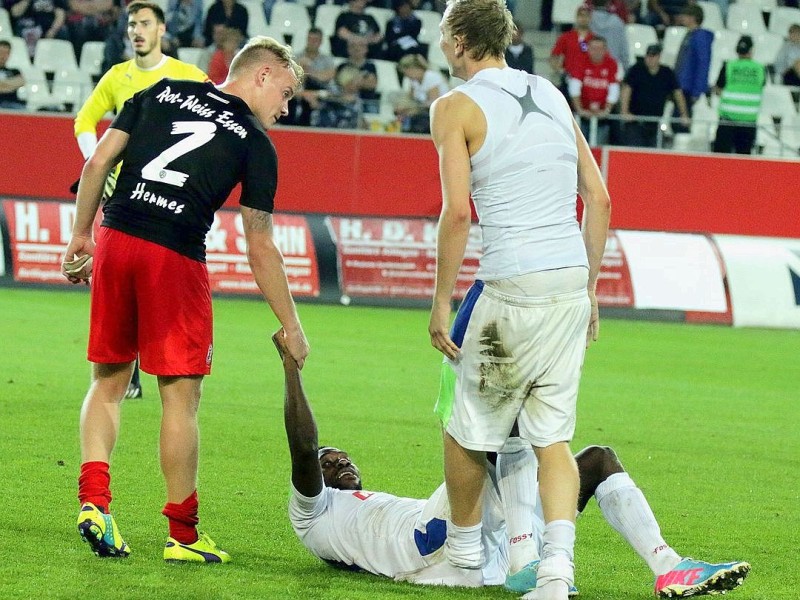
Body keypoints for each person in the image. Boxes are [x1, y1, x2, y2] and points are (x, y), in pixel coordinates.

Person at [63, 35, 310, 563]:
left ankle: (94, 502)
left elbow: (96, 164)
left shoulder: (162, 90)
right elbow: (260, 243)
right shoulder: (253, 141)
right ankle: (183, 534)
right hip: (174, 258)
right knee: (180, 398)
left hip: (117, 239)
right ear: (262, 75)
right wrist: (292, 323)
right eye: (285, 94)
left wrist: (82, 234)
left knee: (108, 382)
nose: (284, 110)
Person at [276, 330, 751, 598]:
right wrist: (291, 370)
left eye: (343, 456)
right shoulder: (314, 516)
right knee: (486, 420)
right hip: (432, 542)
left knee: (599, 461)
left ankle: (667, 566)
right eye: (329, 462)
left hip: (483, 540)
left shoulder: (374, 499)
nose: (339, 459)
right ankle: (529, 556)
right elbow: (303, 446)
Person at [427, 1, 611, 599]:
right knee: (550, 439)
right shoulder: (552, 94)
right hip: (568, 284)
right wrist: (589, 286)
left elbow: (457, 212)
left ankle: (461, 555)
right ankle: (556, 573)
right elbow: (599, 197)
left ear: (458, 40)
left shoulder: (454, 107)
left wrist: (440, 301)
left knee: (466, 429)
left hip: (512, 286)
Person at [73, 1, 208, 399]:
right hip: (123, 197)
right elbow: (83, 121)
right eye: (132, 24)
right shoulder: (117, 77)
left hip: (169, 202)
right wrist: (96, 162)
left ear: (162, 29)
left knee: (161, 285)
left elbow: (215, 120)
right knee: (115, 283)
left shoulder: (188, 76)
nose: (137, 30)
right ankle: (124, 370)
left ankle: (159, 366)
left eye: (145, 23)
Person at [620, 43, 690, 147]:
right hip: (635, 122)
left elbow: (678, 94)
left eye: (653, 56)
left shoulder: (666, 73)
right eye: (648, 56)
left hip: (655, 123)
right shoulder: (636, 70)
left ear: (659, 57)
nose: (650, 59)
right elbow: (626, 90)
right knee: (634, 153)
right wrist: (625, 111)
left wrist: (684, 114)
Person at [712, 35, 766, 155]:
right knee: (743, 160)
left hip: (727, 120)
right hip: (749, 121)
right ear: (751, 50)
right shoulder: (760, 69)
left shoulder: (728, 66)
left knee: (720, 159)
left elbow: (718, 90)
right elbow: (761, 86)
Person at [569, 36, 620, 146]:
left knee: (598, 148)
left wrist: (607, 110)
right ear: (588, 49)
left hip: (602, 117)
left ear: (606, 50)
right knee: (579, 146)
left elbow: (614, 89)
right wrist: (580, 109)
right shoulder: (580, 61)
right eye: (593, 48)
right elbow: (574, 87)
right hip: (582, 115)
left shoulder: (612, 64)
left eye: (600, 48)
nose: (597, 52)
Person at [672, 3, 712, 130]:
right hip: (682, 85)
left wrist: (697, 90)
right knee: (677, 121)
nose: (682, 18)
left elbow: (703, 64)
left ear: (692, 18)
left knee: (681, 122)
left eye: (685, 15)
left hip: (688, 87)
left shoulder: (699, 37)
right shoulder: (691, 35)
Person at [394, 52, 447, 132]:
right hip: (423, 113)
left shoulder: (431, 77)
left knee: (417, 121)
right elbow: (409, 99)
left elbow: (433, 103)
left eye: (407, 72)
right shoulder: (414, 81)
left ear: (414, 68)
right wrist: (402, 107)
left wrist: (413, 109)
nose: (406, 76)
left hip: (439, 114)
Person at [549, 5, 594, 99]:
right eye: (581, 15)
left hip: (589, 79)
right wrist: (560, 70)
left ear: (590, 18)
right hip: (569, 78)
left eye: (586, 16)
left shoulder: (594, 39)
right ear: (576, 17)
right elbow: (554, 56)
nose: (583, 18)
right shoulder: (566, 37)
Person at [590, 0, 629, 72]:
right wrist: (626, 69)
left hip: (589, 68)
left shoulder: (586, 20)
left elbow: (581, 43)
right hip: (612, 68)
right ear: (608, 4)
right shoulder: (618, 22)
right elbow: (623, 50)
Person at [0, 39, 26, 110]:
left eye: (6, 53)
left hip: (12, 104)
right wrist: (10, 86)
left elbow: (21, 82)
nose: (3, 56)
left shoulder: (15, 71)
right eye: (1, 52)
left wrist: (2, 85)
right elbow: (14, 84)